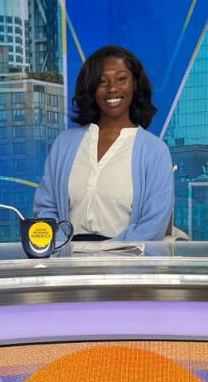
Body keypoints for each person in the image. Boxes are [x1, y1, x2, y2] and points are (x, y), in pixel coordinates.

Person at [32, 45, 174, 241]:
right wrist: (64, 251)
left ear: (135, 84)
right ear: (91, 88)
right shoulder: (64, 144)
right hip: (67, 262)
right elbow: (45, 207)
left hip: (127, 263)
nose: (112, 88)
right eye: (102, 82)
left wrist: (108, 255)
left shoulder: (155, 151)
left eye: (121, 79)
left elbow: (154, 225)